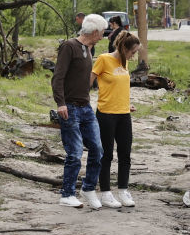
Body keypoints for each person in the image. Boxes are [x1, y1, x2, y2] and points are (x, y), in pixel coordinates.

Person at [52, 13, 108, 208]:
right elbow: (57, 77)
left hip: (86, 107)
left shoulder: (89, 48)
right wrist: (60, 103)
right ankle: (67, 194)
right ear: (93, 32)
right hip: (70, 107)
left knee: (97, 149)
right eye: (101, 33)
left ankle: (88, 188)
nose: (102, 37)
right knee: (75, 152)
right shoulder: (69, 47)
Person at [91, 31, 141, 208]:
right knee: (107, 154)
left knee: (125, 153)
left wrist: (127, 104)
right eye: (132, 52)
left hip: (124, 114)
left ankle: (123, 190)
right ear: (124, 47)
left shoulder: (125, 62)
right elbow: (89, 82)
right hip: (106, 114)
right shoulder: (104, 59)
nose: (133, 55)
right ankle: (105, 193)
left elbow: (120, 87)